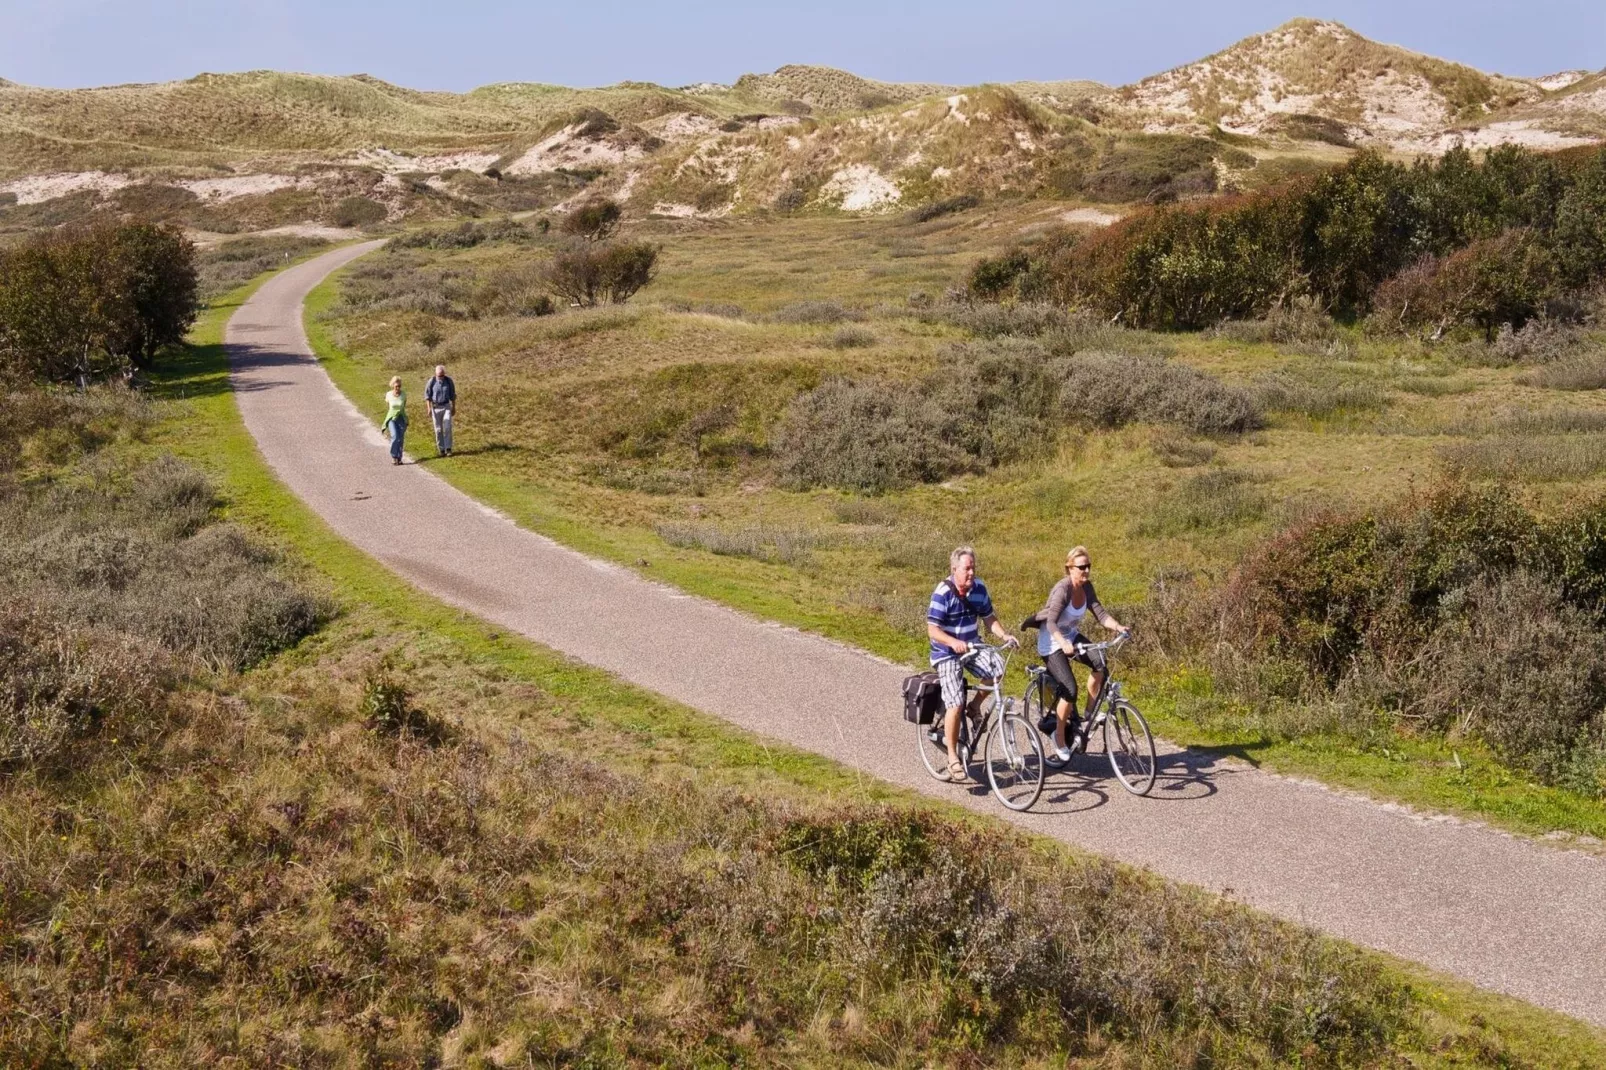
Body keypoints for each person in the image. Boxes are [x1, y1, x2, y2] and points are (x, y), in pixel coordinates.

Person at [926, 546, 1018, 782]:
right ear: (954, 569)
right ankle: (953, 757)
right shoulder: (942, 593)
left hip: (972, 647)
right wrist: (953, 642)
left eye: (973, 568)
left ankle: (975, 706)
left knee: (998, 668)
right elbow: (933, 630)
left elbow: (989, 617)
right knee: (955, 703)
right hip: (946, 653)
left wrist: (1003, 635)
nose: (971, 573)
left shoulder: (979, 589)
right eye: (967, 569)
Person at [1031, 545, 1128, 766]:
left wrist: (1118, 627)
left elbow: (1101, 615)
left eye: (1088, 566)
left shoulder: (1086, 588)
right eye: (1081, 567)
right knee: (1070, 689)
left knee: (1100, 663)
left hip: (1071, 636)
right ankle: (1058, 736)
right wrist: (1063, 643)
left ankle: (1086, 716)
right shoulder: (1062, 589)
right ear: (1070, 568)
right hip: (1052, 642)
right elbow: (1051, 622)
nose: (1086, 571)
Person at [424, 364, 456, 457]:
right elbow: (427, 396)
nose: (441, 378)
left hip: (446, 406)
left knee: (447, 426)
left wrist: (453, 407)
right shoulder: (431, 381)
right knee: (438, 429)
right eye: (439, 376)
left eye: (442, 375)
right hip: (435, 407)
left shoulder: (448, 381)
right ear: (435, 374)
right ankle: (441, 449)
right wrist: (429, 408)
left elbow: (453, 395)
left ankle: (448, 448)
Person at [382, 376, 407, 465]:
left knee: (400, 438)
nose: (398, 388)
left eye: (399, 386)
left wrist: (405, 419)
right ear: (393, 386)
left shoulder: (403, 394)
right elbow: (388, 407)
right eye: (396, 386)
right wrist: (391, 415)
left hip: (401, 418)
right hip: (392, 418)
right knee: (395, 436)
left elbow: (403, 406)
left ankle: (399, 457)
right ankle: (393, 456)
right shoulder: (388, 394)